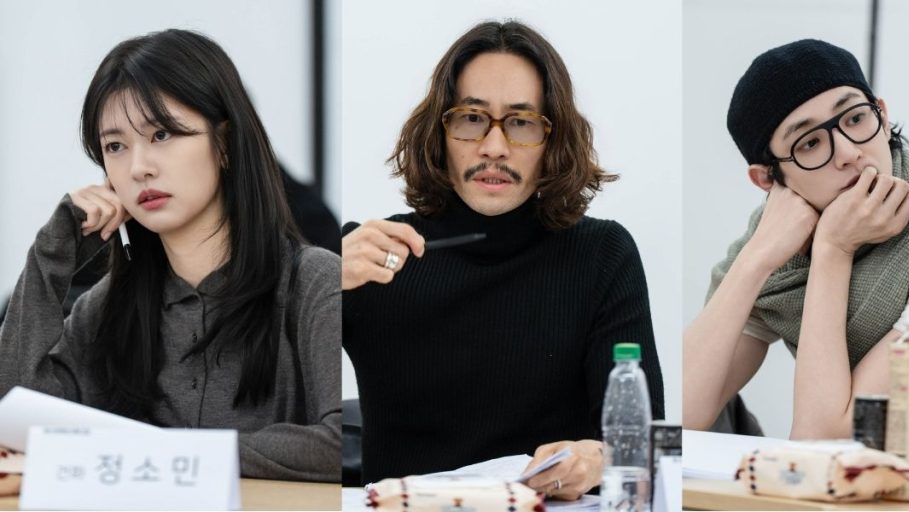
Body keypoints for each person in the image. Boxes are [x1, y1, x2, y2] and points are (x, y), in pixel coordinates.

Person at [341, 20, 665, 498]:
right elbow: (258, 397)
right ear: (441, 131)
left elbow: (653, 445)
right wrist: (317, 280)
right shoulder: (371, 254)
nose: (494, 147)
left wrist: (601, 457)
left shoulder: (602, 255)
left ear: (552, 140)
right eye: (471, 118)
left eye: (521, 122)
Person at [0, 29, 341, 481]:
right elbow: (16, 423)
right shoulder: (103, 308)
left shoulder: (314, 282)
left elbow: (339, 443)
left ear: (224, 142)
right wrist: (50, 258)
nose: (139, 167)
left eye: (162, 134)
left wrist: (158, 453)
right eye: (115, 146)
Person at [682, 39, 909, 469]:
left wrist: (834, 250)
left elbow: (822, 446)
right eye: (809, 143)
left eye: (856, 118)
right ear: (768, 179)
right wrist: (755, 260)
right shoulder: (780, 245)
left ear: (881, 114)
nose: (848, 153)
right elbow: (678, 419)